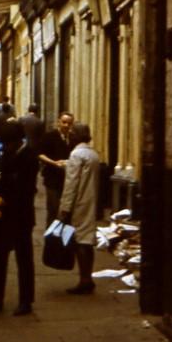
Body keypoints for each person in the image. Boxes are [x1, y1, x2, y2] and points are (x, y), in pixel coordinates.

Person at [0, 119, 39, 316]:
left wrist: (4, 203)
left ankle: (26, 301)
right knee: (0, 256)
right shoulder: (10, 154)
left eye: (8, 142)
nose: (5, 145)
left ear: (17, 140)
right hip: (6, 213)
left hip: (21, 215)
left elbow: (26, 190)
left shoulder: (28, 156)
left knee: (24, 258)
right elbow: (4, 180)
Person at [58, 122, 100, 295]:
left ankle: (84, 279)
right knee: (87, 240)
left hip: (79, 202)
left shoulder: (76, 154)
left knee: (80, 240)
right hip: (91, 200)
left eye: (73, 132)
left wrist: (64, 208)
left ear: (78, 136)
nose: (70, 134)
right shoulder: (92, 154)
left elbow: (71, 184)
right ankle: (87, 277)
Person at [38, 110, 74, 226]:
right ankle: (50, 238)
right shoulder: (49, 136)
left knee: (66, 211)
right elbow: (40, 154)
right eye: (64, 122)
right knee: (53, 209)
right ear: (58, 122)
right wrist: (54, 163)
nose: (66, 125)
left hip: (67, 179)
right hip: (52, 178)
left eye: (69, 123)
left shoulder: (73, 138)